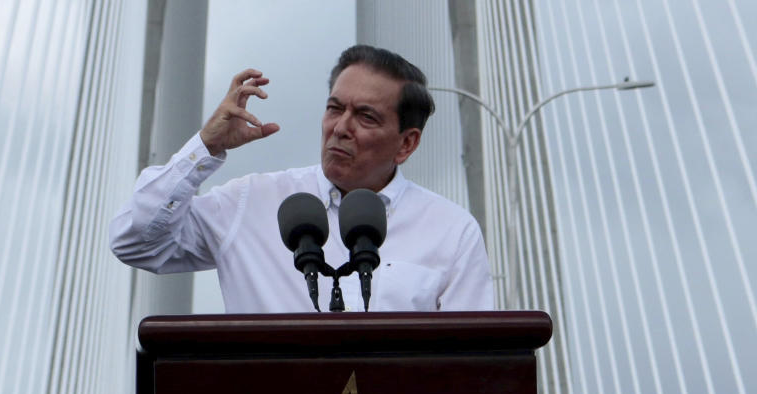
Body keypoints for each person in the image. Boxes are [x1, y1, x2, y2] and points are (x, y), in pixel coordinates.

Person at [109, 45, 493, 313]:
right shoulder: (254, 201)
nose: (341, 128)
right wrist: (205, 148)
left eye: (366, 117)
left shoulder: (451, 232)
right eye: (334, 108)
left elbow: (475, 363)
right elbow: (135, 241)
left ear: (406, 144)